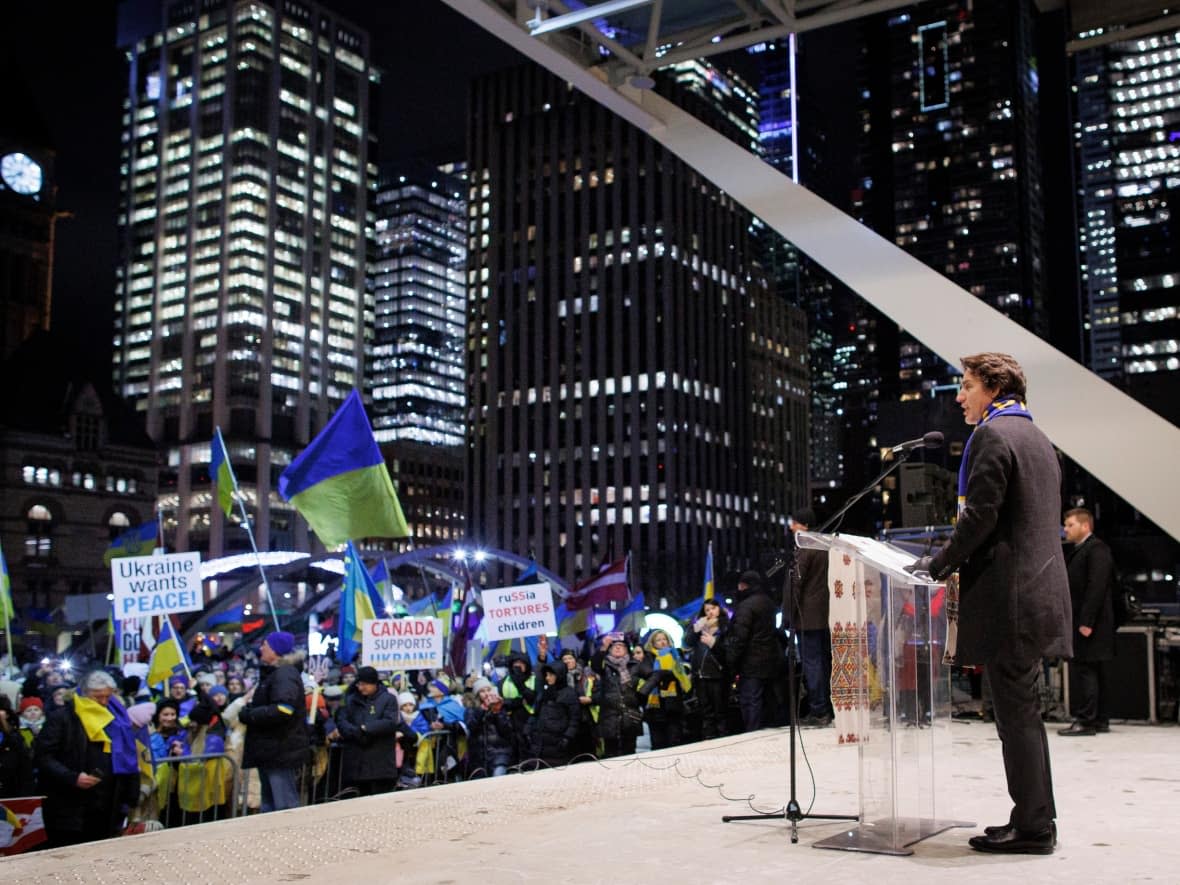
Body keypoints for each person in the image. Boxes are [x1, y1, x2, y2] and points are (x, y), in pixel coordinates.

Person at [910, 352, 1071, 856]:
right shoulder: (1040, 439)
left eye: (966, 386)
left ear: (993, 388)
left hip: (1013, 599)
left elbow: (980, 517)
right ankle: (1036, 818)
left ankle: (1032, 827)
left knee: (1015, 715)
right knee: (1024, 713)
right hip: (1039, 594)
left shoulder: (994, 436)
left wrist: (934, 565)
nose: (959, 397)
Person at [33, 669, 141, 846]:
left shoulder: (116, 719)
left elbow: (127, 757)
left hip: (106, 805)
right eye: (98, 697)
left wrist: (130, 797)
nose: (104, 702)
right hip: (69, 805)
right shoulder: (63, 718)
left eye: (108, 697)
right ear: (84, 694)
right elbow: (43, 757)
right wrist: (72, 777)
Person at [1059, 507, 1116, 737]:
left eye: (1070, 525)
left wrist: (1086, 621)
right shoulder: (1085, 550)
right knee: (1092, 670)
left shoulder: (1096, 550)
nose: (1065, 529)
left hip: (1091, 624)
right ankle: (1099, 718)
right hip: (1090, 622)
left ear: (1085, 526)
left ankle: (1087, 719)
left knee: (1086, 670)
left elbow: (1097, 587)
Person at [238, 631, 306, 812]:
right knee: (270, 803)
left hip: (279, 749)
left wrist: (251, 714)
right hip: (271, 750)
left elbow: (284, 709)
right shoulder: (276, 674)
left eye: (265, 645)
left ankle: (288, 837)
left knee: (283, 805)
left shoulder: (284, 675)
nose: (261, 648)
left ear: (275, 650)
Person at [788, 508, 833, 726]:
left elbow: (797, 583)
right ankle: (826, 708)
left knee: (812, 664)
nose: (791, 527)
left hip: (807, 616)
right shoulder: (825, 546)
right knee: (823, 662)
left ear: (804, 525)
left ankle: (818, 710)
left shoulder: (805, 547)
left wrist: (789, 615)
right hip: (824, 614)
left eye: (794, 523)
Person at [332, 666, 401, 796]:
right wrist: (355, 731)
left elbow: (390, 722)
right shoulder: (351, 699)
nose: (361, 688)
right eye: (359, 684)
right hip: (356, 762)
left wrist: (367, 728)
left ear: (374, 683)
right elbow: (342, 720)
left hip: (380, 764)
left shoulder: (388, 699)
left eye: (365, 684)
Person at [726, 569, 781, 732]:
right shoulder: (768, 602)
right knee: (767, 698)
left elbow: (740, 636)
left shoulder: (745, 606)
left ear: (744, 585)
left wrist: (731, 659)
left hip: (751, 661)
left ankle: (752, 735)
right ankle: (768, 730)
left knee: (751, 700)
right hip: (770, 658)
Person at [684, 598, 730, 739]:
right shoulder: (701, 629)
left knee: (720, 712)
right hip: (701, 676)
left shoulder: (725, 628)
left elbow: (728, 653)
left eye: (713, 608)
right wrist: (696, 628)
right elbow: (687, 642)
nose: (710, 612)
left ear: (719, 609)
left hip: (718, 675)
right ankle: (708, 740)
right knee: (706, 713)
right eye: (707, 610)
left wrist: (714, 643)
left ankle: (723, 739)